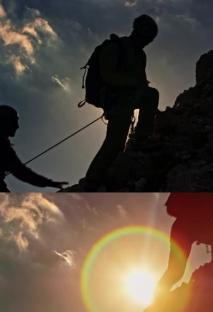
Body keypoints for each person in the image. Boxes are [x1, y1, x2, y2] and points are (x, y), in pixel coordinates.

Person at [81, 15, 160, 191]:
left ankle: (142, 138)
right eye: (146, 37)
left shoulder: (140, 55)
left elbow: (142, 82)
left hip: (126, 99)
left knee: (151, 95)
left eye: (149, 39)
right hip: (114, 100)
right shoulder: (114, 47)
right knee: (115, 142)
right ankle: (92, 179)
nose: (146, 42)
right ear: (137, 32)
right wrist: (134, 84)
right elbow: (108, 76)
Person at [157, 193, 213, 294]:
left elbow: (170, 208)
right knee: (176, 270)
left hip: (189, 226)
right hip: (194, 227)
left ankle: (158, 297)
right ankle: (159, 297)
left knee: (176, 270)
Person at [0, 105, 68, 192]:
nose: (17, 126)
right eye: (14, 122)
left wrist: (2, 187)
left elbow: (20, 172)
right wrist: (49, 183)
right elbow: (22, 173)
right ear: (4, 122)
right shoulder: (1, 148)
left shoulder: (1, 147)